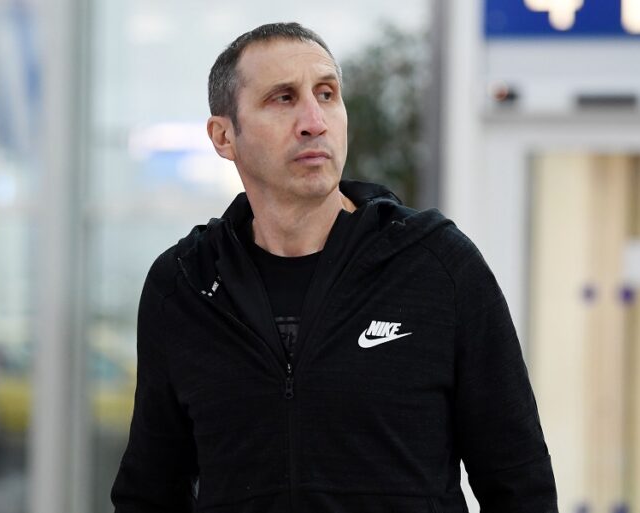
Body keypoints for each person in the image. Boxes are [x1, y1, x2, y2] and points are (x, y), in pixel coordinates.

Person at [111, 22, 558, 513]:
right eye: (283, 99)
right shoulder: (185, 285)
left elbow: (521, 484)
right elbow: (149, 493)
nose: (314, 121)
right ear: (224, 136)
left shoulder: (438, 266)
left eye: (326, 94)